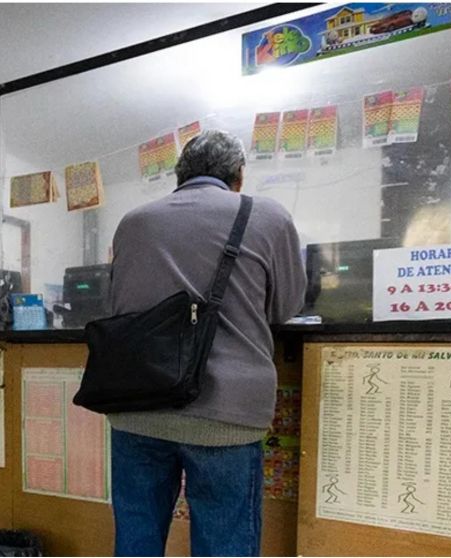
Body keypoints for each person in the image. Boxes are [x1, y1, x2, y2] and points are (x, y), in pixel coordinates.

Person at [108, 130, 306, 556]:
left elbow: (118, 302)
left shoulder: (133, 221)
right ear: (238, 176)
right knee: (224, 546)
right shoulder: (268, 216)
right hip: (226, 413)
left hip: (135, 407)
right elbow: (286, 307)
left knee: (135, 542)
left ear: (180, 175)